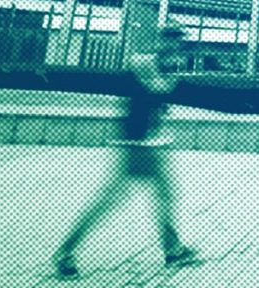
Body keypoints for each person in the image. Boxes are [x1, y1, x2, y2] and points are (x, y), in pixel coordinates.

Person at [52, 23, 198, 280]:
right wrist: (171, 79)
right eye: (172, 41)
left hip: (149, 143)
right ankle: (65, 251)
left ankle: (173, 248)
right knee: (110, 201)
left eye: (179, 43)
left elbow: (160, 99)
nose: (176, 47)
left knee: (162, 195)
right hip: (134, 144)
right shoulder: (145, 62)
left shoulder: (166, 65)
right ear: (162, 41)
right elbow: (156, 87)